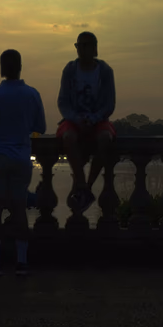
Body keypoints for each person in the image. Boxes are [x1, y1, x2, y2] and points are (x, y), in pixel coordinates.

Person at [0, 50, 45, 277]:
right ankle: (22, 262)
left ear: (2, 68)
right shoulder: (32, 94)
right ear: (20, 67)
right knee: (19, 210)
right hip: (21, 159)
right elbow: (41, 127)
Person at [56, 31, 116, 214]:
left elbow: (109, 104)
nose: (81, 49)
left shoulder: (105, 71)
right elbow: (63, 101)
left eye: (86, 45)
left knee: (105, 138)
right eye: (79, 45)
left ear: (95, 48)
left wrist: (94, 118)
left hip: (98, 120)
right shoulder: (70, 70)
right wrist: (76, 118)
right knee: (68, 137)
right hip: (73, 120)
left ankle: (87, 186)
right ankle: (81, 185)